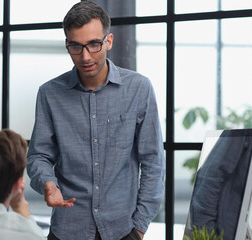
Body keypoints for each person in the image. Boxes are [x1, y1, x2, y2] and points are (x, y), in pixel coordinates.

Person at [27, 1, 165, 240]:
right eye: (76, 47)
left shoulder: (139, 88)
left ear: (108, 41)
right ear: (67, 44)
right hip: (67, 230)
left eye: (94, 44)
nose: (85, 56)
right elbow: (39, 155)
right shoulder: (50, 93)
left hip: (123, 230)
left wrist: (139, 228)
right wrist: (48, 184)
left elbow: (153, 162)